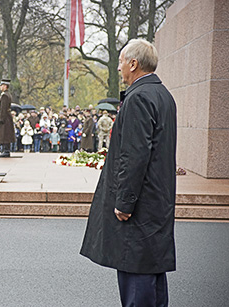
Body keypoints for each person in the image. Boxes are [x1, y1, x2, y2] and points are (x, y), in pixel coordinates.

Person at [80, 39, 177, 307]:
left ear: (133, 64)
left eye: (122, 61)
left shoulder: (139, 98)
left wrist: (124, 202)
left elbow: (134, 156)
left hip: (139, 207)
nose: (120, 67)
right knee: (152, 276)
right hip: (157, 202)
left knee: (137, 281)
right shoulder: (163, 95)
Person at [0, 78, 16, 157]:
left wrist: (1, 118)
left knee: (4, 134)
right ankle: (5, 150)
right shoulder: (7, 94)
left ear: (5, 86)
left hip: (5, 117)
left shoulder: (4, 95)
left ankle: (5, 150)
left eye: (1, 85)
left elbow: (3, 108)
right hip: (7, 117)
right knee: (5, 134)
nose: (0, 87)